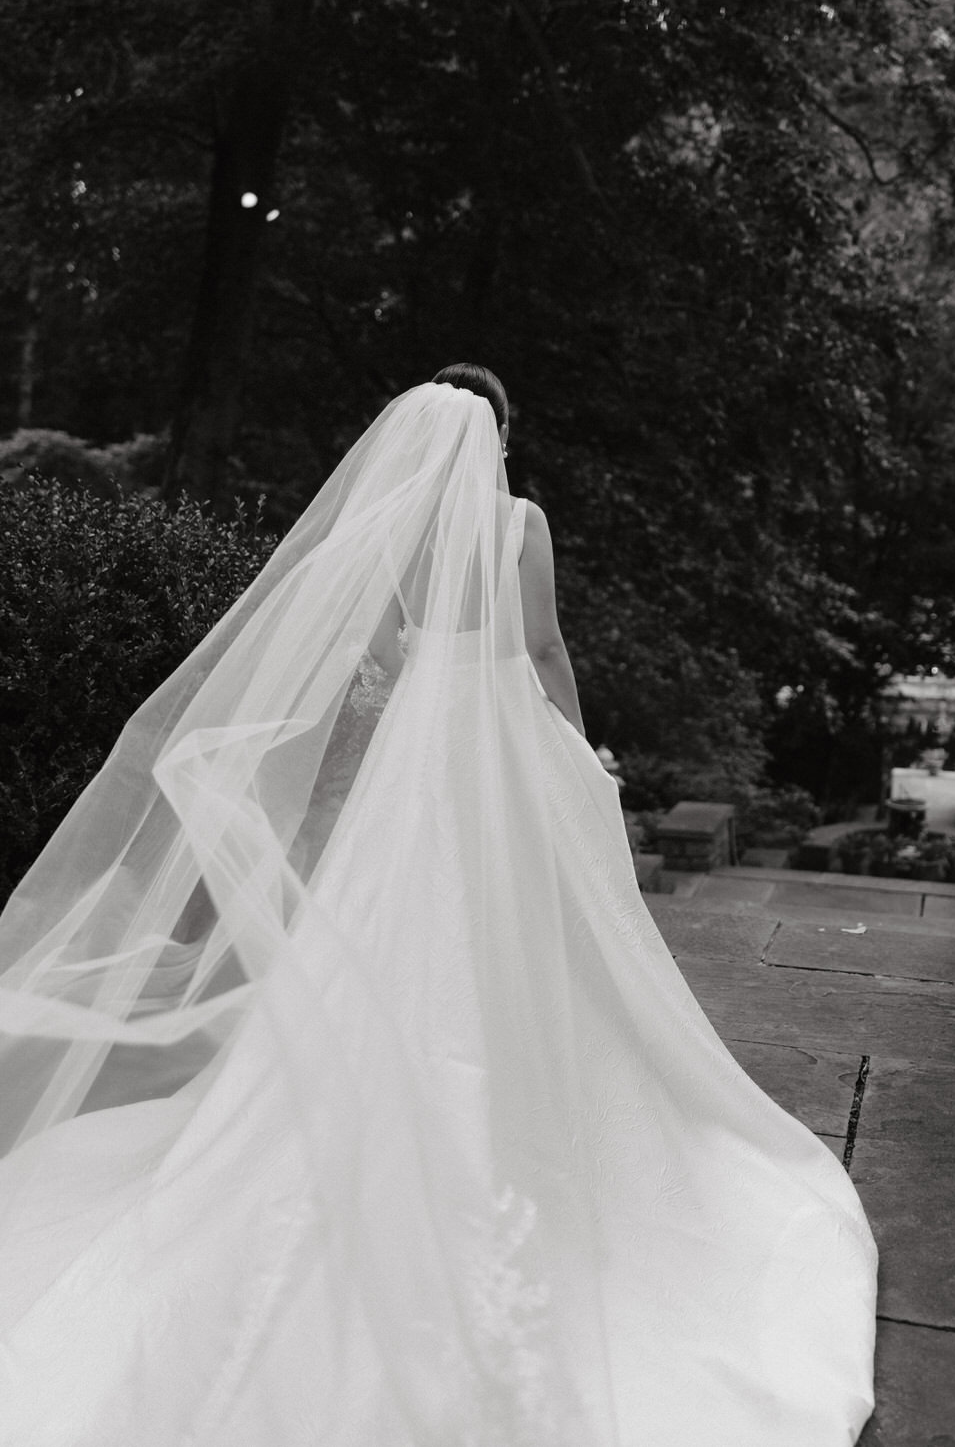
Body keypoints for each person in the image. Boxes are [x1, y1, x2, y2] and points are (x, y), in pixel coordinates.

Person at [0, 368, 877, 1446]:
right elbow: (543, 648)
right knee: (527, 937)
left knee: (388, 935)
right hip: (499, 744)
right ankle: (529, 1121)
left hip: (415, 759)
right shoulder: (517, 524)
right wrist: (572, 741)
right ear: (496, 439)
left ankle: (364, 1113)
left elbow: (362, 650)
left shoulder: (390, 525)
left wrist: (408, 698)